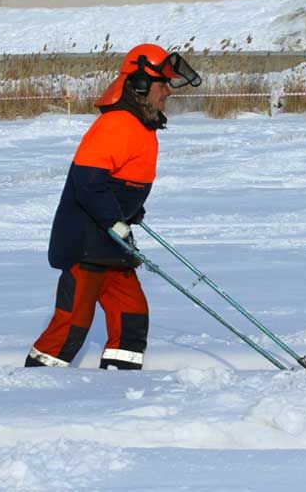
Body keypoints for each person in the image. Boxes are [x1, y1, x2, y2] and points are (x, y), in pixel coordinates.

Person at [25, 43, 201, 370]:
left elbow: (120, 181)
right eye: (162, 85)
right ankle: (35, 389)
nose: (167, 92)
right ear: (140, 85)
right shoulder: (117, 123)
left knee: (131, 316)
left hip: (111, 242)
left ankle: (119, 388)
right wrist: (115, 219)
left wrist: (130, 211)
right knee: (72, 323)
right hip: (86, 243)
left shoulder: (139, 125)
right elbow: (88, 181)